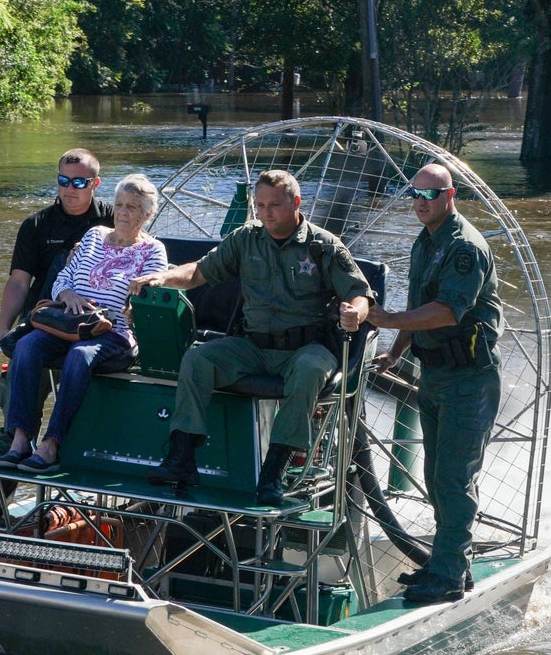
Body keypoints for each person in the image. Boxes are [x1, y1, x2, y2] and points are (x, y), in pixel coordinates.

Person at [128, 169, 372, 506]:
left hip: (306, 348)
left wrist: (355, 313)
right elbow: (200, 271)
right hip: (253, 346)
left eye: (274, 205)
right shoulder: (246, 238)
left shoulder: (323, 246)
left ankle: (273, 473)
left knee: (310, 372)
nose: (266, 212)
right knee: (199, 359)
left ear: (296, 202)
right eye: (260, 205)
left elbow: (360, 294)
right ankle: (182, 458)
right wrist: (164, 277)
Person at [369, 163, 503, 605]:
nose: (420, 202)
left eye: (430, 194)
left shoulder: (464, 247)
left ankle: (446, 576)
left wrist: (385, 320)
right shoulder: (425, 242)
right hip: (435, 375)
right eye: (414, 194)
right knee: (434, 473)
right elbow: (418, 304)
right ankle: (449, 565)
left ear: (451, 195)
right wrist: (396, 349)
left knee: (453, 477)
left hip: (469, 378)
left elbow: (447, 311)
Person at [0, 174, 168, 473]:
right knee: (27, 345)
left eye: (133, 207)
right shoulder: (93, 236)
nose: (123, 212)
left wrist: (117, 309)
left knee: (80, 355)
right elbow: (63, 276)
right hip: (69, 323)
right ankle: (20, 439)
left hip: (113, 331)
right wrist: (68, 294)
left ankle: (52, 443)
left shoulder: (153, 251)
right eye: (119, 205)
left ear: (148, 213)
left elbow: (145, 299)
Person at [0, 149, 114, 452]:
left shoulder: (115, 219)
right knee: (12, 423)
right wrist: (4, 327)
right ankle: (11, 464)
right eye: (63, 180)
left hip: (93, 324)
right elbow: (19, 282)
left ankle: (61, 460)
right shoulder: (36, 225)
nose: (70, 189)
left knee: (86, 424)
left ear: (95, 183)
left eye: (79, 183)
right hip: (43, 321)